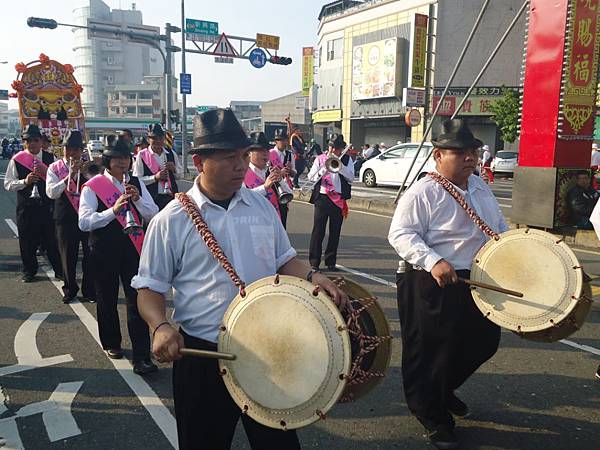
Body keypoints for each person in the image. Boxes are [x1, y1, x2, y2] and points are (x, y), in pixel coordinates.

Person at [131, 108, 349, 450]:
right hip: (203, 356)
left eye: (243, 156)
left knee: (279, 444)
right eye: (229, 157)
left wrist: (313, 276)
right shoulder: (171, 219)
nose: (241, 165)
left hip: (267, 351)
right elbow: (149, 289)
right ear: (200, 160)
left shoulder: (262, 206)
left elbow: (284, 260)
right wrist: (160, 327)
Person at [388, 119, 508, 450]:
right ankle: (433, 416)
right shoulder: (424, 191)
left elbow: (499, 227)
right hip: (430, 279)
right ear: (438, 155)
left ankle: (441, 391)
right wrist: (433, 261)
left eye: (472, 151)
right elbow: (400, 233)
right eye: (459, 151)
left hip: (476, 277)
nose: (469, 157)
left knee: (485, 340)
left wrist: (516, 254)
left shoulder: (480, 187)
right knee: (430, 351)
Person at [78, 136, 158, 374]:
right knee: (107, 298)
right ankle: (112, 342)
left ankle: (142, 356)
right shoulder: (94, 186)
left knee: (137, 301)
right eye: (118, 158)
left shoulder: (135, 182)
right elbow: (84, 222)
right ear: (108, 160)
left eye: (126, 158)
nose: (123, 163)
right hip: (102, 249)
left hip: (132, 247)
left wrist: (138, 199)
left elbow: (153, 213)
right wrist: (112, 211)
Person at [3, 124, 63, 283]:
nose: (32, 143)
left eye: (35, 140)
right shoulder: (17, 159)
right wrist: (25, 181)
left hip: (47, 206)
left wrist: (47, 174)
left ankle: (60, 270)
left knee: (52, 241)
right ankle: (29, 271)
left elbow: (60, 181)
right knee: (27, 241)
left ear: (41, 141)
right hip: (26, 208)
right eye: (28, 140)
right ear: (24, 142)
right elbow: (8, 184)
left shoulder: (51, 158)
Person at [46, 130, 96, 304]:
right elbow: (51, 193)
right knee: (67, 255)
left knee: (91, 255)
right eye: (68, 148)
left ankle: (89, 289)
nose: (71, 152)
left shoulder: (88, 166)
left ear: (82, 150)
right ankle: (70, 288)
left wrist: (86, 171)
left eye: (75, 149)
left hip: (87, 216)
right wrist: (70, 176)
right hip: (64, 218)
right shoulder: (55, 168)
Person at [307, 134, 354, 272]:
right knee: (318, 231)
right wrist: (324, 168)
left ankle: (331, 262)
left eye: (336, 148)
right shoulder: (320, 159)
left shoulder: (346, 159)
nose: (333, 150)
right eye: (331, 146)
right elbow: (311, 177)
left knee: (335, 232)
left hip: (338, 199)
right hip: (322, 197)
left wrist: (340, 167)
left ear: (341, 148)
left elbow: (351, 178)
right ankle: (314, 262)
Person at [132, 123, 183, 210]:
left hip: (170, 196)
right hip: (151, 198)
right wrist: (155, 177)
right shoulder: (142, 155)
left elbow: (180, 175)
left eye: (160, 138)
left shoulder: (170, 153)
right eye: (154, 138)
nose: (158, 141)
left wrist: (174, 169)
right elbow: (137, 180)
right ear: (148, 139)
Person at [244, 131, 285, 219]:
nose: (265, 153)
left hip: (273, 219)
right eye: (260, 150)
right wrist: (265, 187)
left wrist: (280, 179)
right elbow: (242, 197)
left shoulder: (270, 171)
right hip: (252, 219)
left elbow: (288, 193)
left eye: (267, 150)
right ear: (249, 153)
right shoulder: (242, 173)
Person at [269, 129, 296, 228]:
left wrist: (289, 170)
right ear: (276, 141)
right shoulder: (270, 154)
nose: (285, 143)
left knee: (283, 216)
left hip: (285, 189)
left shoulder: (290, 155)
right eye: (282, 140)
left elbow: (294, 173)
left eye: (286, 140)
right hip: (272, 188)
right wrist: (280, 172)